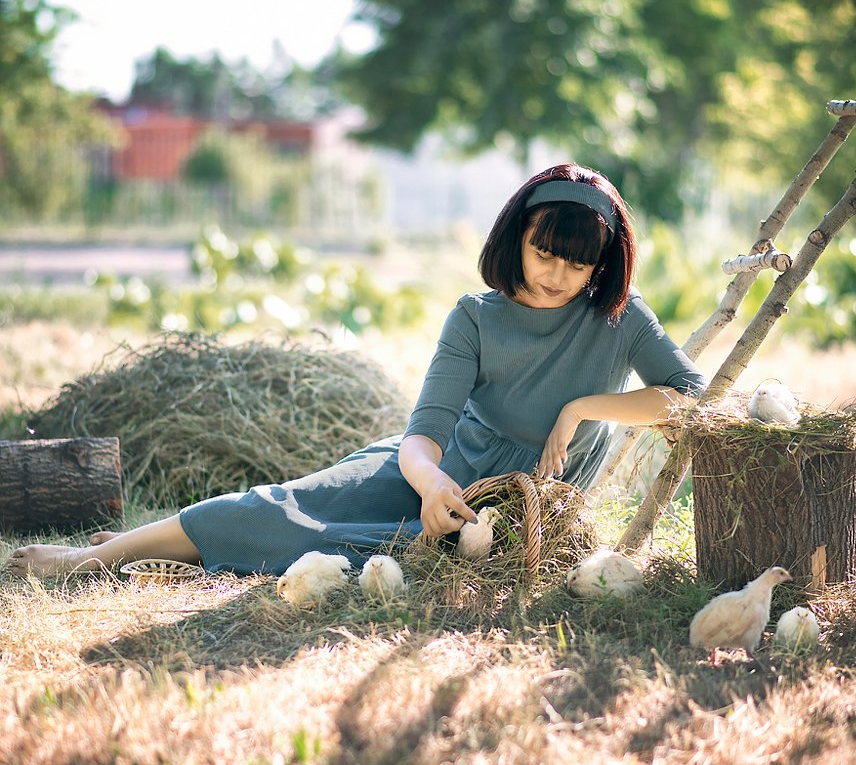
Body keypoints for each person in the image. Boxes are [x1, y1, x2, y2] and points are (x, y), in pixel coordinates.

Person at [8, 162, 707, 579]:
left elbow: (691, 397)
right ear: (517, 239)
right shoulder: (475, 316)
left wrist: (582, 408)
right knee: (284, 506)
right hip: (440, 472)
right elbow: (423, 433)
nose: (559, 274)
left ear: (603, 263)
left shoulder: (617, 316)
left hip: (524, 507)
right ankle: (93, 561)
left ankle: (159, 544)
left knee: (360, 558)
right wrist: (432, 484)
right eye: (544, 252)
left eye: (579, 262)